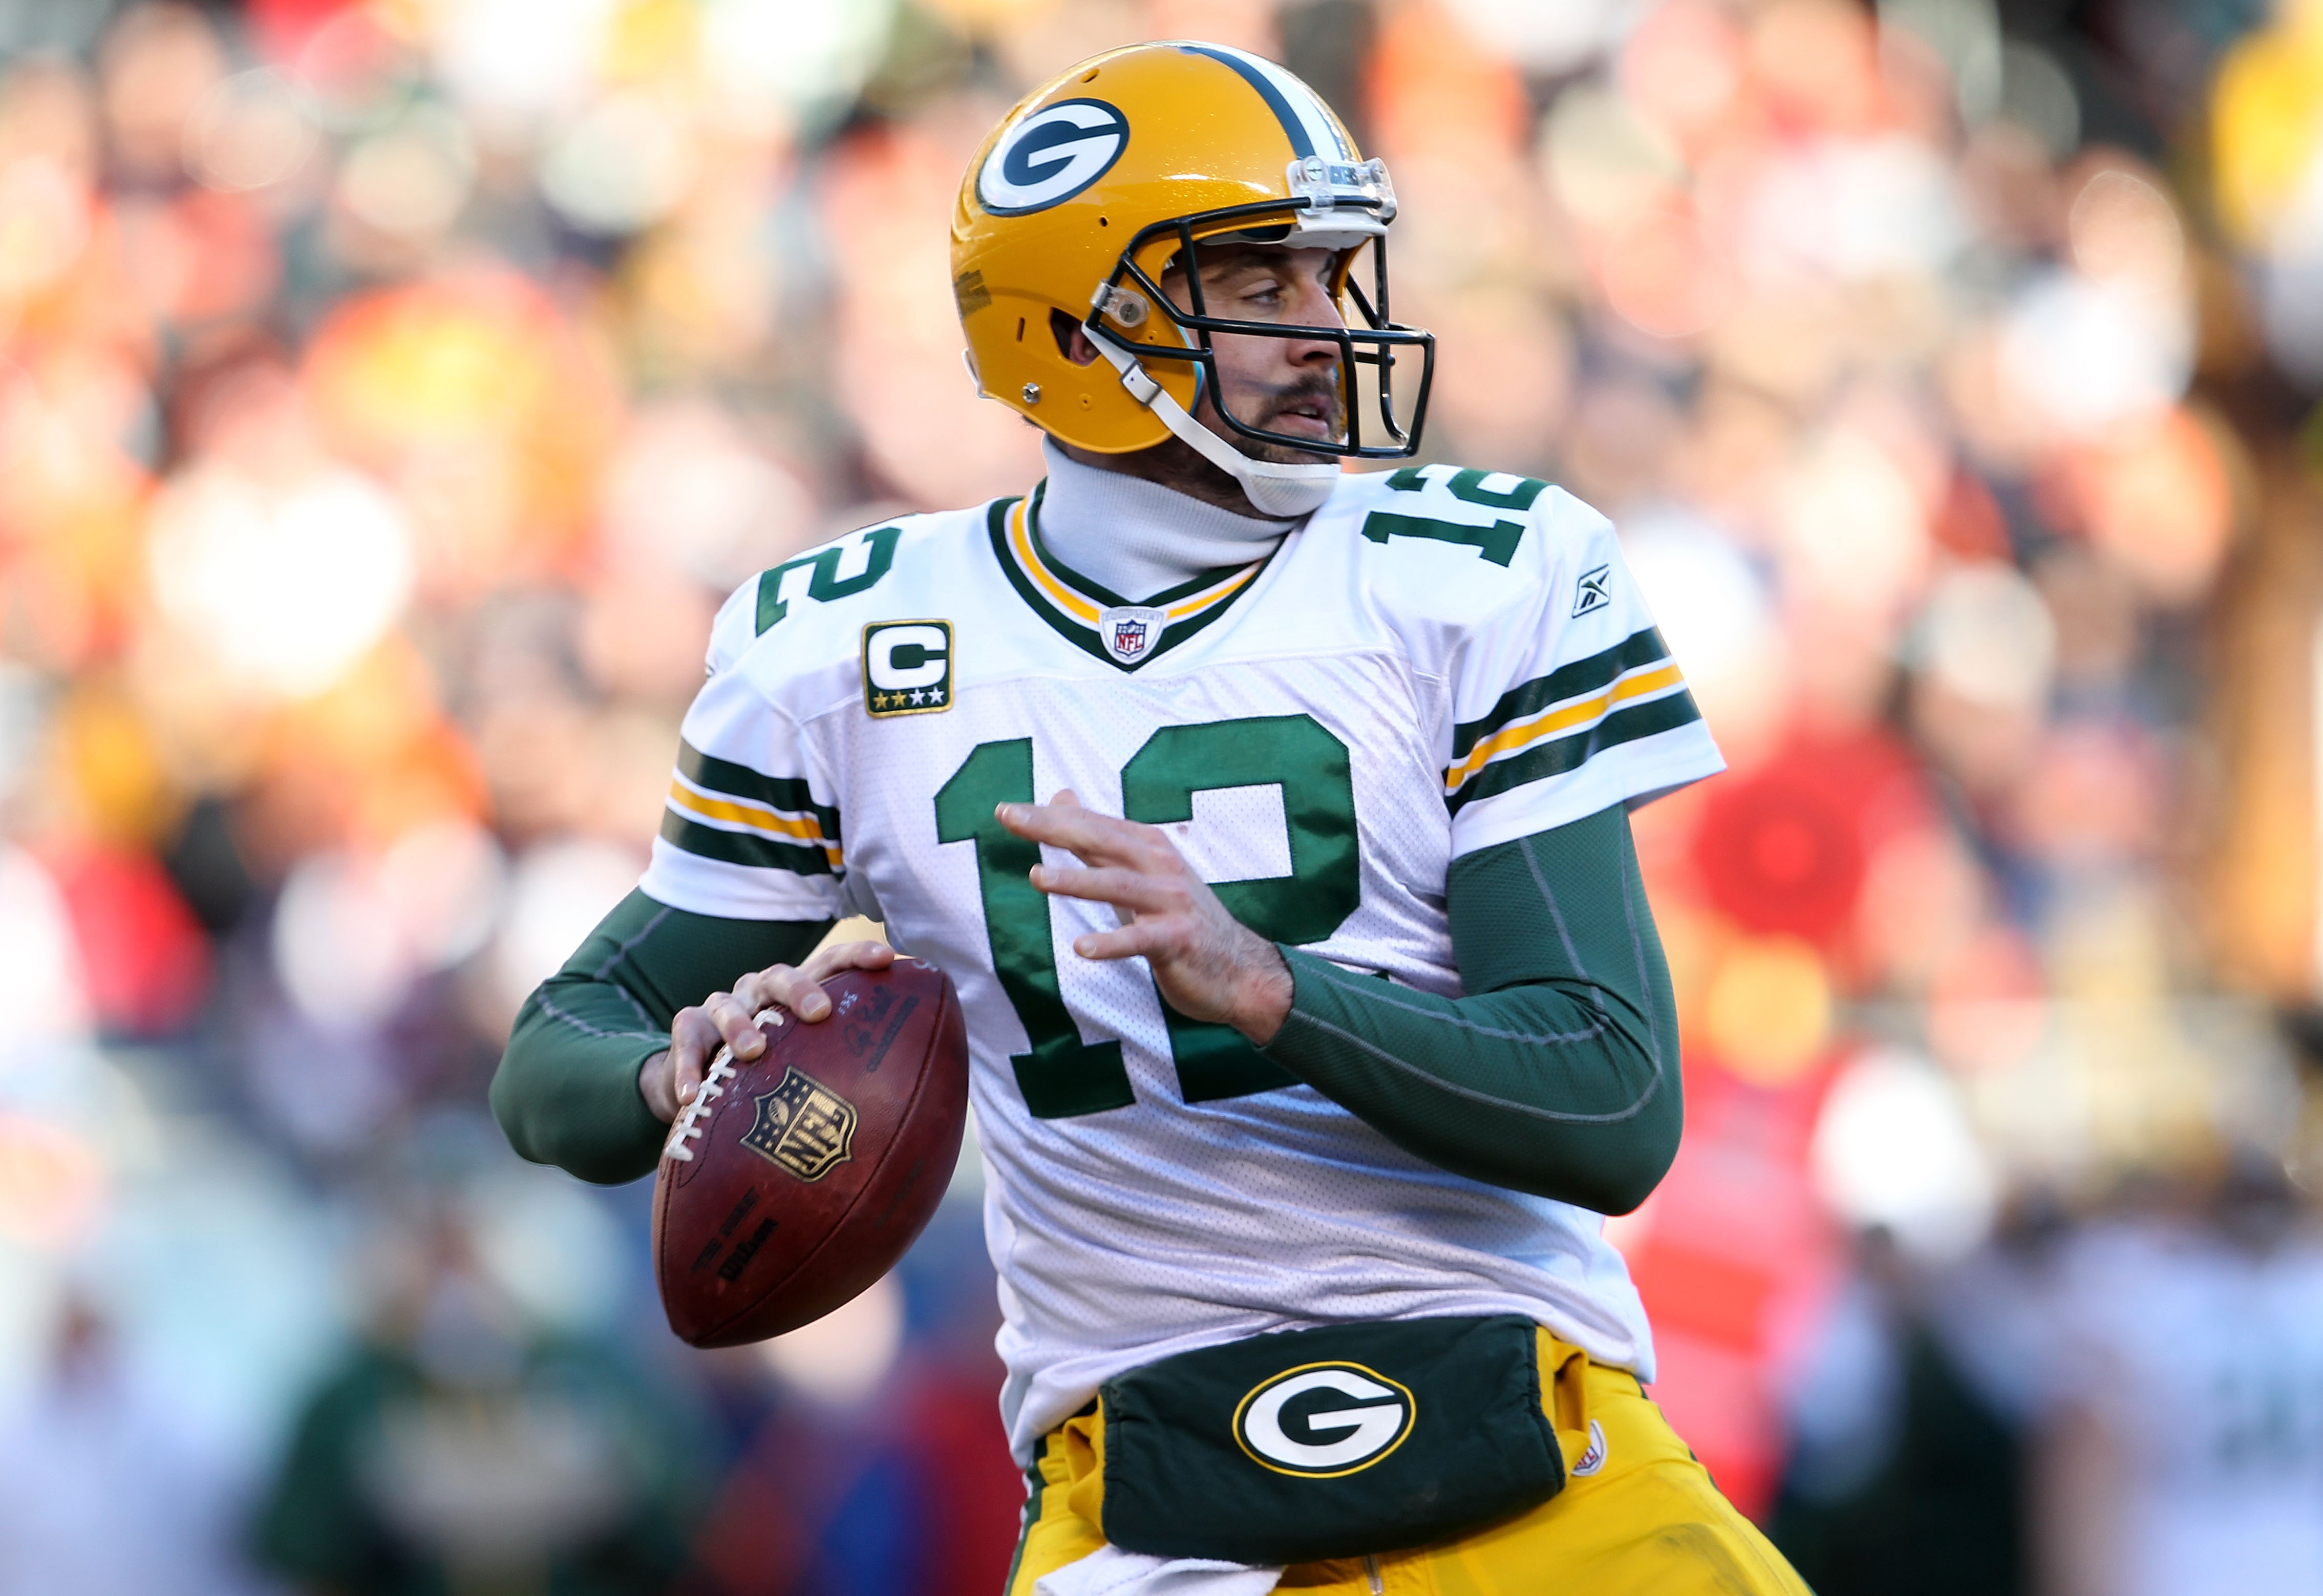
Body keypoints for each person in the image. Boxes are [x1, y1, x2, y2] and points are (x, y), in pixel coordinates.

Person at [493, 40, 1807, 1596]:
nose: (1326, 329)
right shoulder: (845, 645)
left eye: (1335, 276)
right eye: (1261, 284)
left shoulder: (1473, 569)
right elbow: (547, 1061)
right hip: (1146, 1501)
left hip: (1540, 1451)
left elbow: (1608, 1103)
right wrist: (673, 1072)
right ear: (1076, 325)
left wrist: (1269, 987)